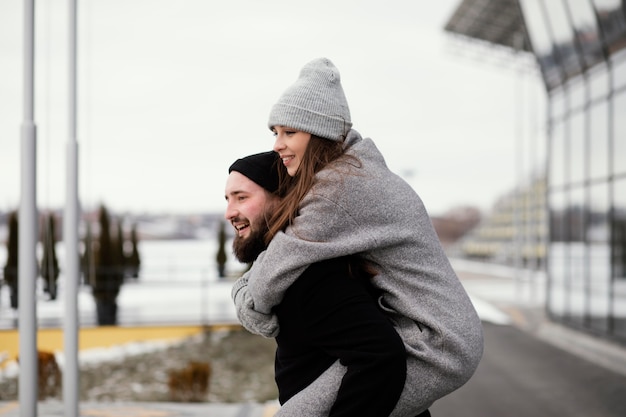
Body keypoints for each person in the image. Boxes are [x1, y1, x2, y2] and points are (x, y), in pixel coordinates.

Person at [231, 58, 484, 416]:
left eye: (290, 132)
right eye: (275, 132)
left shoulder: (341, 189)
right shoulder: (356, 173)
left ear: (318, 133)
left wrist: (244, 299)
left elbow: (276, 268)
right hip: (428, 333)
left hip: (437, 345)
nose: (277, 145)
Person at [225, 151, 421, 416]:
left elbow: (381, 357)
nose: (229, 213)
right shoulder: (288, 269)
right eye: (227, 199)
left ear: (283, 198)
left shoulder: (312, 275)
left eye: (241, 197)